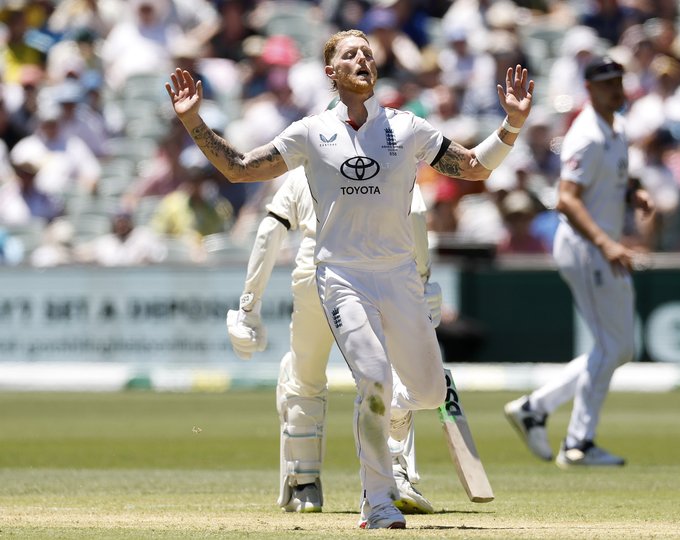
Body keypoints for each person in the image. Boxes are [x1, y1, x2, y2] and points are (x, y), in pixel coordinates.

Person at [165, 28, 533, 528]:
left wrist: (512, 124)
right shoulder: (310, 131)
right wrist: (193, 121)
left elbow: (472, 168)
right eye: (350, 54)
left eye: (368, 53)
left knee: (428, 394)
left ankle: (398, 405)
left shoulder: (407, 127)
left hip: (399, 275)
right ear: (331, 72)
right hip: (342, 276)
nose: (362, 58)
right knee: (374, 379)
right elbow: (240, 169)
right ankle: (377, 502)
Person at [225, 167, 441, 515]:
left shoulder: (306, 166)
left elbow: (269, 231)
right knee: (386, 374)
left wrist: (249, 306)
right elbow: (414, 214)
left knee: (306, 378)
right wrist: (423, 280)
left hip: (315, 273)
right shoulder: (387, 157)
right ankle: (393, 471)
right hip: (374, 273)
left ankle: (304, 482)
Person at [504, 56, 653, 468]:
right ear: (589, 89)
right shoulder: (586, 134)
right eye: (606, 83)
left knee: (620, 348)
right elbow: (566, 199)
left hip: (601, 246)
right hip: (588, 248)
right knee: (611, 347)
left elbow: (607, 180)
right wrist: (606, 243)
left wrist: (633, 193)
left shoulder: (616, 128)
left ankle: (536, 408)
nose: (615, 89)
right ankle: (578, 443)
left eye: (618, 80)